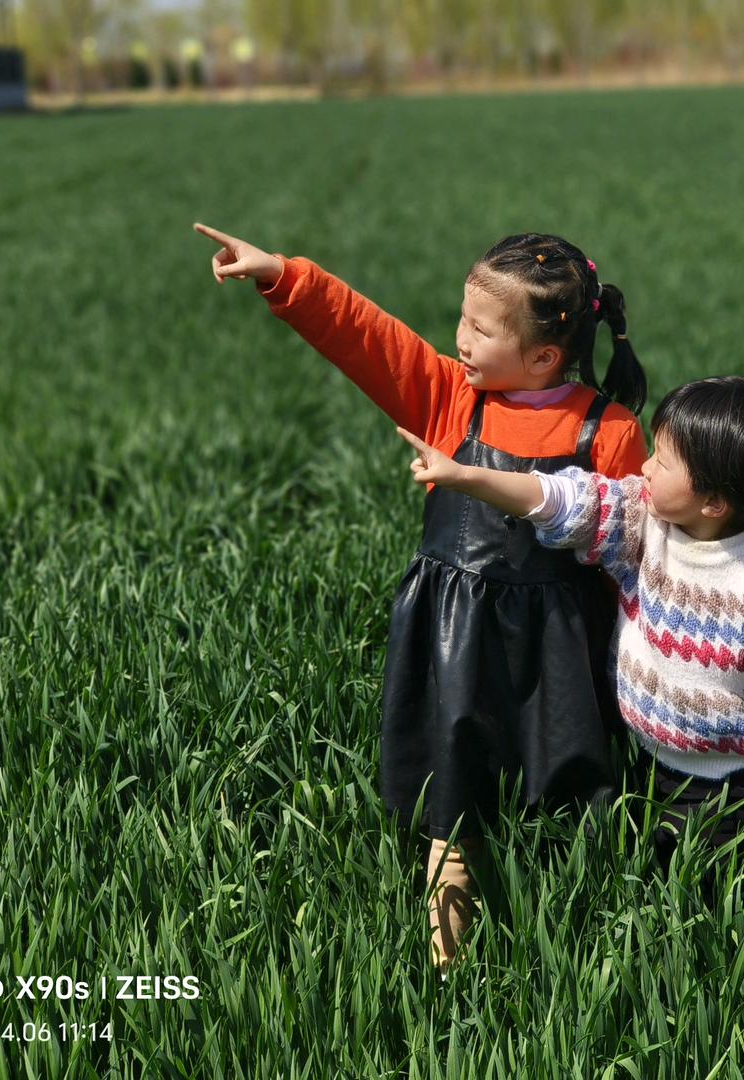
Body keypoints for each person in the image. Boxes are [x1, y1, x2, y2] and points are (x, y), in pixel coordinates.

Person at [193, 223, 648, 969]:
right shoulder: (449, 398)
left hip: (560, 659)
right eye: (462, 320)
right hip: (454, 646)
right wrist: (282, 275)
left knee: (569, 810)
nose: (459, 339)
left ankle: (573, 960)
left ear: (544, 355)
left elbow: (632, 560)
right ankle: (448, 974)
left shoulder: (611, 431)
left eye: (479, 329)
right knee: (452, 811)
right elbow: (365, 336)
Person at [396, 375, 744, 891]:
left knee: (728, 894)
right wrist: (467, 477)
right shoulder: (645, 522)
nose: (644, 467)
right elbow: (562, 499)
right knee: (659, 881)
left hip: (737, 785)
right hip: (648, 759)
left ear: (713, 502)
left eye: (662, 461)